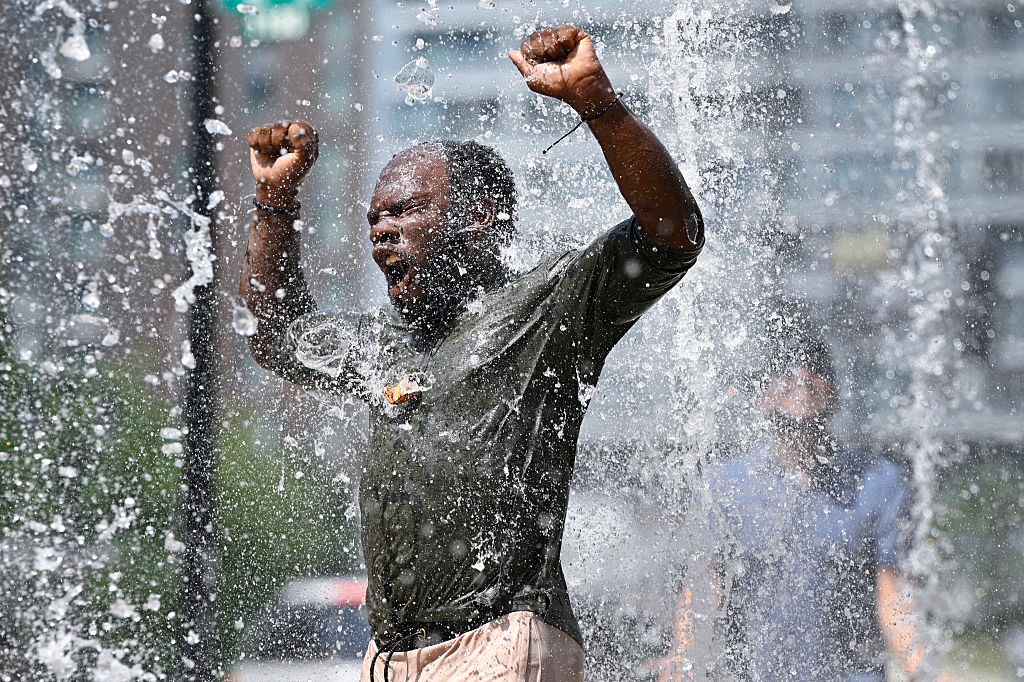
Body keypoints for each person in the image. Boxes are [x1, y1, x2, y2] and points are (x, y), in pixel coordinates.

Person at [240, 25, 704, 682]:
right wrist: (275, 202)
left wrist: (598, 104)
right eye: (375, 220)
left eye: (404, 212)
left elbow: (670, 233)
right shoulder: (382, 345)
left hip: (501, 641)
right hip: (393, 657)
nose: (381, 235)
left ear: (479, 215)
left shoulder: (548, 309)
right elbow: (274, 336)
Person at [655, 332, 952, 681]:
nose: (802, 376)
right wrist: (683, 658)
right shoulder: (724, 486)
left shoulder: (878, 483)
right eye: (785, 366)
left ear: (836, 395)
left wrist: (925, 671)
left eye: (816, 367)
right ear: (763, 396)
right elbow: (706, 588)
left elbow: (893, 597)